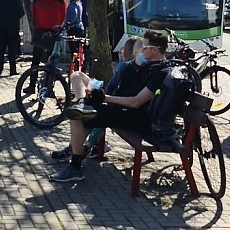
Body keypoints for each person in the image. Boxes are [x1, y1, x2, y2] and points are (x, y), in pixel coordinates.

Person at [51, 31, 170, 182]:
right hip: (122, 110)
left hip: (133, 116)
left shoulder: (161, 72)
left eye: (144, 47)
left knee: (77, 116)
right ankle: (79, 153)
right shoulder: (146, 66)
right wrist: (134, 65)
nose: (140, 50)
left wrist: (105, 98)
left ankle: (75, 167)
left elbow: (136, 102)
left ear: (154, 50)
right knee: (81, 110)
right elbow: (122, 84)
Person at [50, 36, 140, 160]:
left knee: (91, 113)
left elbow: (119, 92)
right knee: (77, 76)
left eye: (123, 49)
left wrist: (104, 96)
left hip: (112, 101)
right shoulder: (124, 65)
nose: (120, 51)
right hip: (106, 93)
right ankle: (82, 103)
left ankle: (80, 146)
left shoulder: (130, 68)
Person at [23, 0, 66, 94]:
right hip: (53, 33)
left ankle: (31, 86)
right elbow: (63, 16)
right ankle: (48, 87)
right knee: (50, 62)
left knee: (35, 60)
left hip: (40, 31)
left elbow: (33, 14)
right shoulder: (60, 0)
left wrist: (38, 25)